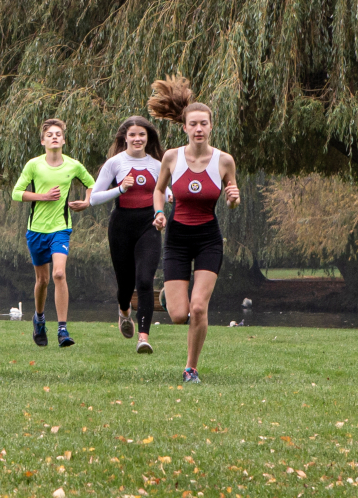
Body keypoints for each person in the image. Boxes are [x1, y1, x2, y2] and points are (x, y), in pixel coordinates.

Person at [148, 76, 240, 384]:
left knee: (198, 308)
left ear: (211, 126)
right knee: (178, 315)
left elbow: (232, 198)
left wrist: (233, 199)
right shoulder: (172, 157)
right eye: (193, 124)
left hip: (207, 240)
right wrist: (159, 213)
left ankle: (191, 368)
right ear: (184, 127)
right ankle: (171, 297)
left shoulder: (224, 161)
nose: (199, 129)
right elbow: (158, 191)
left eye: (204, 123)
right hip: (177, 239)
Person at [10, 118, 95, 348]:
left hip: (61, 228)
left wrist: (87, 202)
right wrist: (43, 196)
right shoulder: (34, 165)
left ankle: (62, 329)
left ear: (64, 140)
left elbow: (91, 184)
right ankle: (39, 319)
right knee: (43, 280)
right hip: (36, 230)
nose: (54, 137)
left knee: (59, 274)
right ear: (43, 141)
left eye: (58, 134)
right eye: (50, 134)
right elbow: (16, 193)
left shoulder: (73, 165)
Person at [88, 116, 165, 353]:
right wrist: (120, 188)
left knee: (144, 281)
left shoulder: (157, 164)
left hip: (148, 225)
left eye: (142, 134)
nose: (137, 139)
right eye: (132, 135)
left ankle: (143, 337)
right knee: (125, 285)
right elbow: (93, 198)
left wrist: (166, 202)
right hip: (121, 225)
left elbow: (164, 190)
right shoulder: (114, 163)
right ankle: (123, 312)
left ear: (148, 137)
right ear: (125, 138)